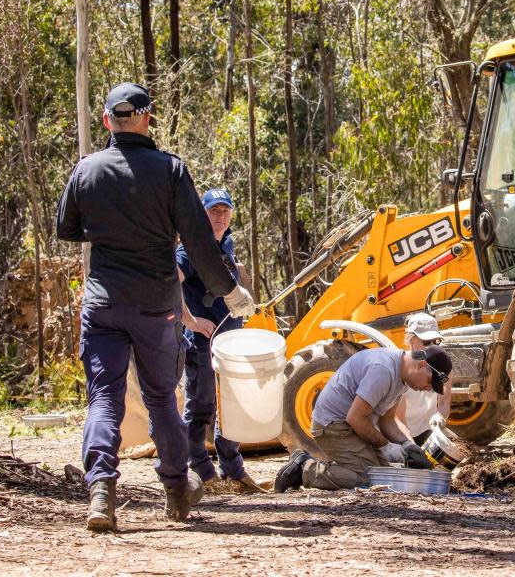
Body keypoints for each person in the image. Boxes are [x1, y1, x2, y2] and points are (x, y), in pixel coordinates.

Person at [56, 83, 256, 532]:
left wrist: (111, 228)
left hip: (104, 302)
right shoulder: (170, 170)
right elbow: (200, 242)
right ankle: (176, 490)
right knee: (162, 397)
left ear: (108, 122)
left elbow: (65, 228)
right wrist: (228, 289)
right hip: (156, 306)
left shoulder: (87, 170)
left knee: (103, 399)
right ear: (147, 119)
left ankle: (102, 490)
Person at [272, 346, 453, 492]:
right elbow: (355, 418)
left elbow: (387, 421)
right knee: (368, 477)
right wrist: (387, 446)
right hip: (332, 426)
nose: (428, 388)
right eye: (430, 382)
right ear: (421, 365)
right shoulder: (383, 370)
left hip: (350, 426)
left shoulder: (403, 379)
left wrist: (407, 445)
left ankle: (337, 468)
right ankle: (305, 469)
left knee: (386, 475)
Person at [177, 188, 262, 492]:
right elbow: (171, 280)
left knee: (233, 405)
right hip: (201, 342)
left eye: (225, 211)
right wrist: (191, 320)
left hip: (230, 343)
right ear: (202, 214)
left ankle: (233, 469)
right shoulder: (189, 250)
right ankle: (200, 469)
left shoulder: (227, 243)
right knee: (200, 406)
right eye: (214, 211)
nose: (220, 217)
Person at [399, 313, 451, 443]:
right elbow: (398, 419)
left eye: (436, 341)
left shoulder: (442, 364)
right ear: (411, 340)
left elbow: (444, 403)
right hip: (402, 434)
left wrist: (440, 416)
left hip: (427, 432)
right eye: (426, 341)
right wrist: (410, 446)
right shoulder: (401, 368)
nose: (432, 346)